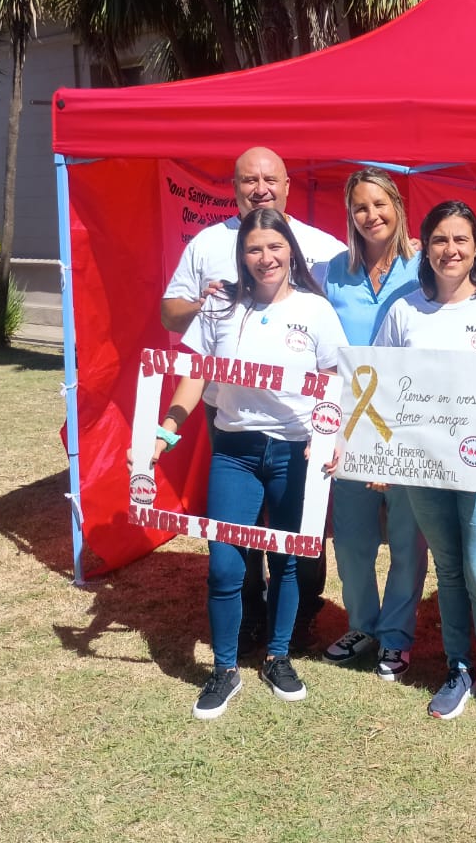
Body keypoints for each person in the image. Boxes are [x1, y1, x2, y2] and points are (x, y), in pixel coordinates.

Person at [151, 208, 346, 719]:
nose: (266, 258)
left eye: (275, 248)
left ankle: (279, 657)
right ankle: (225, 669)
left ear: (291, 253)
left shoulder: (316, 310)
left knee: (285, 559)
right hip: (234, 450)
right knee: (224, 564)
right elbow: (194, 375)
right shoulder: (218, 308)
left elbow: (334, 379)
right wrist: (164, 430)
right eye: (255, 249)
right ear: (242, 256)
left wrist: (331, 435)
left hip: (293, 451)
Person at [373, 200, 476, 724]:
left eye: (461, 240)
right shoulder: (403, 311)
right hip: (423, 467)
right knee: (451, 568)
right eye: (439, 239)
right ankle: (461, 668)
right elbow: (380, 385)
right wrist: (379, 456)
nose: (450, 250)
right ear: (424, 247)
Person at [315, 168, 428, 682]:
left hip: (409, 422)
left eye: (380, 204)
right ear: (350, 215)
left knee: (407, 536)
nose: (371, 215)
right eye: (360, 207)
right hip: (351, 422)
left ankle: (397, 637)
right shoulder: (331, 272)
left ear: (398, 206)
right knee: (354, 538)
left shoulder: (427, 264)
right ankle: (362, 624)